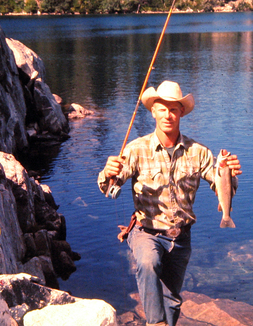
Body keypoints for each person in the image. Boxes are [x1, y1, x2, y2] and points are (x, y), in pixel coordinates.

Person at [97, 80, 242, 326]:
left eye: (173, 109)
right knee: (148, 262)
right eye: (162, 108)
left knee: (172, 299)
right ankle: (155, 323)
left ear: (181, 112)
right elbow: (110, 184)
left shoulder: (200, 152)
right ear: (153, 111)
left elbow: (220, 186)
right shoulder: (135, 150)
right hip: (146, 231)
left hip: (181, 237)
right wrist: (109, 173)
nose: (168, 114)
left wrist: (229, 173)